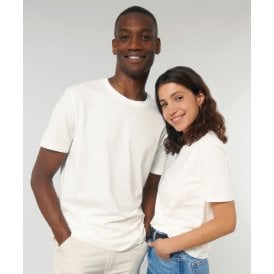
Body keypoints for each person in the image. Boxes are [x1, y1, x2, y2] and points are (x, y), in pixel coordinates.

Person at [31, 6, 167, 274]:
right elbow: (40, 176)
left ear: (157, 45)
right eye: (125, 37)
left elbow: (151, 186)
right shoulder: (78, 98)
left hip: (130, 250)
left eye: (145, 36)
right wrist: (64, 237)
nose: (135, 45)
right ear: (114, 45)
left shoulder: (159, 118)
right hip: (79, 247)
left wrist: (143, 232)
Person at [147, 66, 236, 274]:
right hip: (169, 258)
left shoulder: (208, 148)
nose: (171, 110)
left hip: (180, 260)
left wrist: (167, 246)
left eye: (178, 98)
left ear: (199, 97)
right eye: (164, 104)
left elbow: (226, 221)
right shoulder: (191, 147)